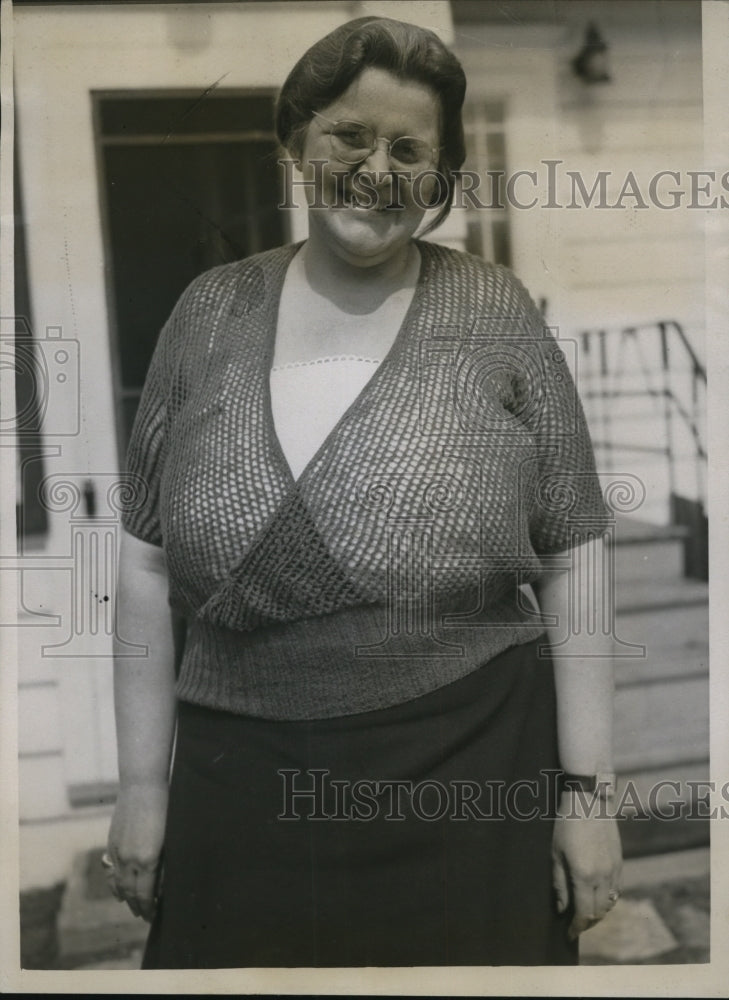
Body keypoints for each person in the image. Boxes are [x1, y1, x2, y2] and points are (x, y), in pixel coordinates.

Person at [104, 15, 622, 968]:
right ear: (295, 144)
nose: (377, 172)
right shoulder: (207, 314)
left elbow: (574, 549)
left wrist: (586, 795)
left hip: (472, 780)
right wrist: (141, 787)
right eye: (349, 136)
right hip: (238, 787)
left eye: (409, 150)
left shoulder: (493, 312)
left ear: (440, 177)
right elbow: (142, 562)